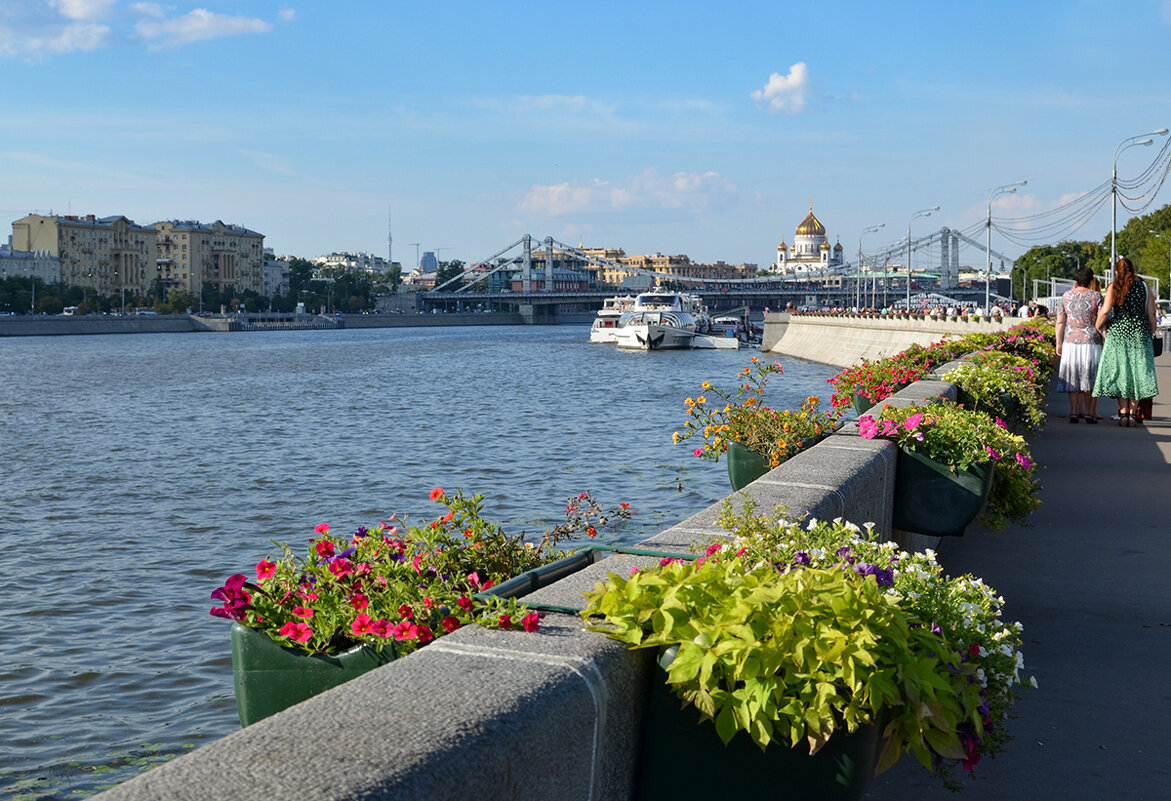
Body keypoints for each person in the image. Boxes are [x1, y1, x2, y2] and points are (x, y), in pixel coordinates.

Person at [1093, 257, 1159, 426]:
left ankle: (1123, 413)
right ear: (1133, 269)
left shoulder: (1113, 287)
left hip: (1118, 334)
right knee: (1137, 373)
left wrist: (1100, 327)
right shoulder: (1144, 286)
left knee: (1121, 372)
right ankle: (1132, 413)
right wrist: (1150, 331)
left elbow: (1106, 310)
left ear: (1117, 271)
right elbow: (1151, 313)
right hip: (1140, 333)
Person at [1055, 265, 1103, 423]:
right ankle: (1089, 413)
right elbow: (1102, 320)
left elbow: (1060, 321)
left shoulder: (1066, 296)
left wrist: (1058, 342)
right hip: (1091, 340)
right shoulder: (1096, 296)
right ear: (1091, 280)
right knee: (1089, 377)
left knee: (1073, 376)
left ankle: (1074, 411)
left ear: (1076, 280)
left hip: (1070, 340)